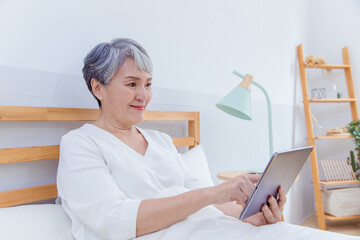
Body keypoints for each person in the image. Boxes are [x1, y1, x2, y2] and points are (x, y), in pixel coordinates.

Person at [56, 38, 357, 240]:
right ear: (98, 87)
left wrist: (249, 214)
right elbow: (112, 219)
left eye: (148, 84)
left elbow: (207, 206)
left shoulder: (160, 141)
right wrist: (216, 193)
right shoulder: (82, 144)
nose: (143, 95)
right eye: (132, 83)